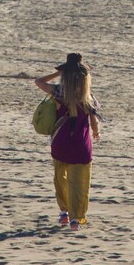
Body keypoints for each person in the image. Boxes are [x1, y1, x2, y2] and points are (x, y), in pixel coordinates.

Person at [34, 53, 101, 231]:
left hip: (61, 142)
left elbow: (38, 81)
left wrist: (58, 73)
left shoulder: (59, 92)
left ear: (65, 74)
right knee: (80, 182)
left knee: (60, 177)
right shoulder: (88, 97)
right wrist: (95, 132)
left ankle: (64, 211)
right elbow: (93, 120)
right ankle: (75, 218)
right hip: (81, 144)